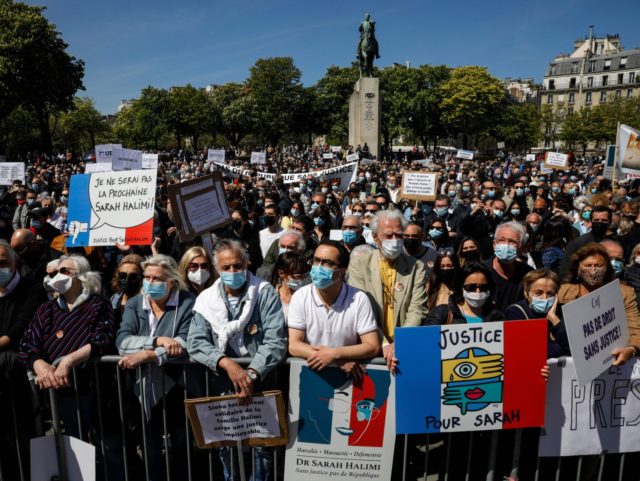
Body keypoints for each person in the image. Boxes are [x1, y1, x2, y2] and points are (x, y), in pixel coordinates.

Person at [187, 239, 286, 481]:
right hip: (222, 385)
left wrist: (250, 374)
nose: (233, 272)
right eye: (226, 268)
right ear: (216, 269)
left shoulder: (264, 292)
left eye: (237, 266)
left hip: (260, 385)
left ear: (247, 263)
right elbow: (196, 342)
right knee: (227, 447)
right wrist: (227, 363)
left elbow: (275, 341)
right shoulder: (206, 300)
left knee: (262, 448)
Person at [19, 255, 116, 472]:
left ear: (82, 276)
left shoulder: (98, 304)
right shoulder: (47, 309)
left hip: (94, 389)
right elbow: (28, 343)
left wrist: (68, 360)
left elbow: (102, 339)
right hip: (60, 393)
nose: (56, 276)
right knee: (73, 450)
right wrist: (40, 365)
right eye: (53, 273)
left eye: (64, 271)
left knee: (107, 448)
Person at [116, 254, 196, 481]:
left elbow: (185, 342)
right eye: (147, 277)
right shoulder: (134, 303)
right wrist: (157, 342)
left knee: (182, 445)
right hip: (143, 387)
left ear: (171, 282)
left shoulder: (187, 302)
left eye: (157, 279)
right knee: (149, 445)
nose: (150, 282)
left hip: (178, 384)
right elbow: (123, 342)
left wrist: (147, 355)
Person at [348, 210, 428, 372]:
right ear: (376, 237)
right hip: (369, 348)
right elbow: (362, 311)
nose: (395, 241)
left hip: (402, 350)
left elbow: (417, 309)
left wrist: (399, 344)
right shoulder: (360, 264)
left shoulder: (416, 267)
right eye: (389, 236)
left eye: (399, 235)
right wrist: (384, 343)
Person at [288, 240, 380, 380]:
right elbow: (294, 345)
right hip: (310, 376)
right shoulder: (300, 296)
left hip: (349, 379)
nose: (319, 267)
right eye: (316, 260)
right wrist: (336, 360)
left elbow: (372, 346)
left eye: (327, 263)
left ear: (343, 270)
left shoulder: (359, 298)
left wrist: (334, 354)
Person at [0, 241, 46, 479]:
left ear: (14, 263)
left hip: (20, 381)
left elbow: (16, 331)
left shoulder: (32, 289)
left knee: (26, 441)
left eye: (2, 263)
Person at [558, 243, 640, 366]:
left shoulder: (623, 293)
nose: (593, 270)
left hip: (611, 358)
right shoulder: (562, 292)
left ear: (607, 268)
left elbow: (635, 326)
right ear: (578, 269)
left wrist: (631, 348)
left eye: (598, 265)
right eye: (588, 265)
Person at [505, 269, 570, 358]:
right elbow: (530, 351)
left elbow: (573, 346)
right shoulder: (516, 312)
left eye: (550, 294)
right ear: (526, 293)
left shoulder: (561, 311)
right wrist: (560, 348)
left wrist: (554, 319)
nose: (544, 298)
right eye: (538, 293)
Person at [423, 262, 504, 325]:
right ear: (461, 287)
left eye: (483, 287)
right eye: (471, 287)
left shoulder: (497, 316)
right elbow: (427, 341)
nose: (478, 291)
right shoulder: (441, 314)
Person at [484, 221, 533, 312]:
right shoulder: (482, 270)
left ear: (521, 248)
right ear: (494, 245)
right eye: (501, 240)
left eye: (512, 241)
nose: (506, 245)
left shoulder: (528, 274)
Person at [270, 251, 310, 321]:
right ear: (281, 273)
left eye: (304, 276)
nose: (301, 280)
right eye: (297, 276)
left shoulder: (308, 298)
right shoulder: (270, 297)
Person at [110, 254, 143, 328]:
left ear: (141, 277)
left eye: (133, 276)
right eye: (122, 275)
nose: (127, 280)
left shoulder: (146, 302)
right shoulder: (113, 299)